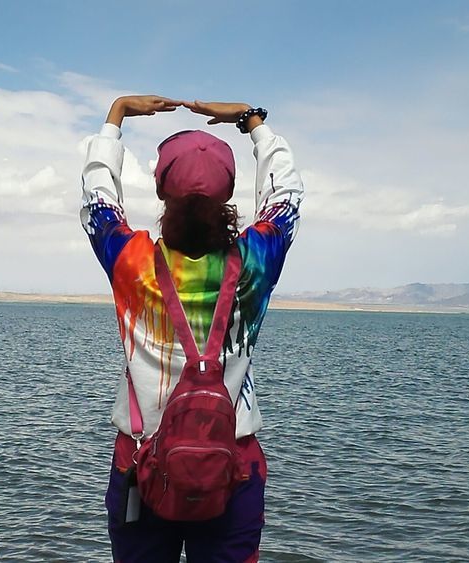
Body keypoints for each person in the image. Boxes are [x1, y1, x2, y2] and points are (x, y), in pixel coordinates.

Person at [80, 95, 304, 563]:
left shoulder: (131, 262)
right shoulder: (256, 261)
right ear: (228, 193)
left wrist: (116, 115)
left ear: (162, 191)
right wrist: (253, 122)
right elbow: (285, 195)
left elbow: (98, 197)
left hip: (140, 462)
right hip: (232, 464)